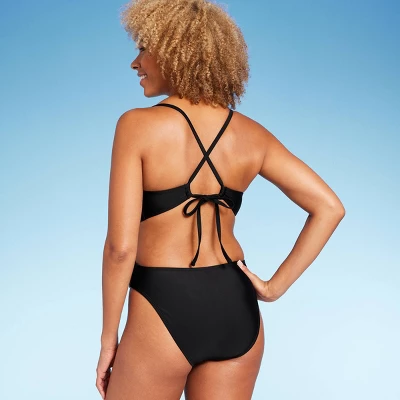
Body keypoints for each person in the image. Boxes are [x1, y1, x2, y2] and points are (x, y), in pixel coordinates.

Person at [95, 0, 346, 398]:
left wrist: (109, 339)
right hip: (236, 306)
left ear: (174, 51)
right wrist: (273, 288)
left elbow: (120, 249)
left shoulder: (136, 126)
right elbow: (329, 207)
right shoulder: (252, 134)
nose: (135, 62)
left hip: (163, 302)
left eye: (143, 48)